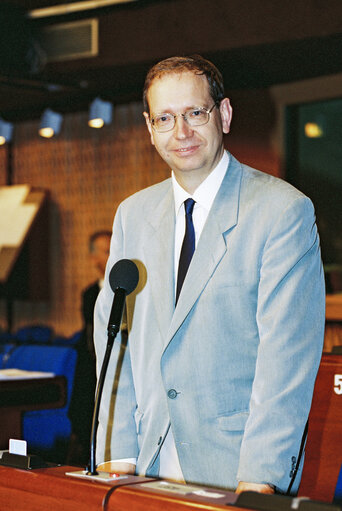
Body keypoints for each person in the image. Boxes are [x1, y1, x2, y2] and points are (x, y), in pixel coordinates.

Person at [93, 55, 325, 494]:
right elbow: (115, 343)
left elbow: (286, 361)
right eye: (165, 118)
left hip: (236, 469)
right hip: (145, 463)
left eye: (195, 113)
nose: (181, 132)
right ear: (149, 128)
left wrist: (260, 479)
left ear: (224, 114)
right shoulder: (132, 215)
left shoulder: (282, 212)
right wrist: (116, 455)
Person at [69, 230, 111, 464]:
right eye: (106, 251)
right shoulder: (89, 294)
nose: (113, 254)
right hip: (92, 367)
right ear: (94, 258)